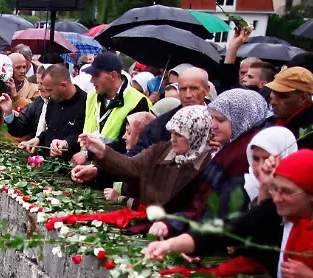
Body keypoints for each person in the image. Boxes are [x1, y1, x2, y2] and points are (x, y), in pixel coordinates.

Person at [144, 150, 313, 278]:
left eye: (287, 192)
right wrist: (169, 245)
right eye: (275, 189)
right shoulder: (275, 211)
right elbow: (225, 230)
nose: (277, 198)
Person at [150, 88, 272, 237]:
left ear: (242, 119)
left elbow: (214, 209)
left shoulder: (243, 155)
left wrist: (173, 226)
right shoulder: (229, 147)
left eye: (220, 120)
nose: (213, 125)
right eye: (212, 118)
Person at [75, 105, 212, 213]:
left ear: (197, 135)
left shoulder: (210, 166)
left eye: (179, 134)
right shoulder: (161, 150)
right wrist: (101, 150)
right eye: (172, 133)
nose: (172, 139)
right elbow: (131, 166)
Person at [74, 52, 150, 163]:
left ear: (113, 75)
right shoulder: (92, 96)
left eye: (96, 76)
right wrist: (66, 143)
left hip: (114, 168)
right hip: (85, 168)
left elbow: (128, 144)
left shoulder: (137, 101)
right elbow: (79, 127)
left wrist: (89, 154)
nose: (92, 81)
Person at [0, 64, 85, 158]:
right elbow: (51, 129)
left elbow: (83, 135)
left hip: (71, 162)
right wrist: (38, 139)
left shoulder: (86, 103)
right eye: (38, 83)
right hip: (46, 161)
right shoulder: (50, 100)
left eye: (50, 90)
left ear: (63, 86)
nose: (47, 93)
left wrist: (66, 144)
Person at [132, 67, 211, 153]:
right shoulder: (161, 125)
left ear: (207, 90)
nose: (188, 95)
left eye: (194, 88)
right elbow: (137, 155)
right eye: (183, 89)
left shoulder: (218, 121)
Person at [0, 52, 39, 143]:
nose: (22, 71)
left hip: (24, 146)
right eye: (18, 68)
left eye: (24, 67)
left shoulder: (35, 89)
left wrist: (16, 96)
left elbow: (33, 117)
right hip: (3, 147)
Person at [261, 67, 313, 150]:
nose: (273, 102)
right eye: (274, 92)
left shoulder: (309, 135)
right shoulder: (280, 118)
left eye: (283, 96)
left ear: (303, 99)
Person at [244, 126, 298, 203]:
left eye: (267, 159)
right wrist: (264, 188)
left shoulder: (299, 192)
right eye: (256, 159)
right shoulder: (241, 189)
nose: (260, 167)